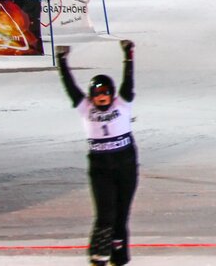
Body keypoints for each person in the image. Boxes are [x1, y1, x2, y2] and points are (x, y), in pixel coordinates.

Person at [57, 39, 137, 266]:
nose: (101, 97)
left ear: (112, 94)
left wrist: (128, 55)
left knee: (121, 216)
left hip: (125, 163)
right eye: (97, 93)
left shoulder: (122, 105)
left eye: (105, 93)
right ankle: (99, 256)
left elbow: (128, 83)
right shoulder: (86, 109)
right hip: (100, 167)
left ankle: (119, 258)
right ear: (91, 95)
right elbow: (70, 87)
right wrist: (61, 62)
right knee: (106, 214)